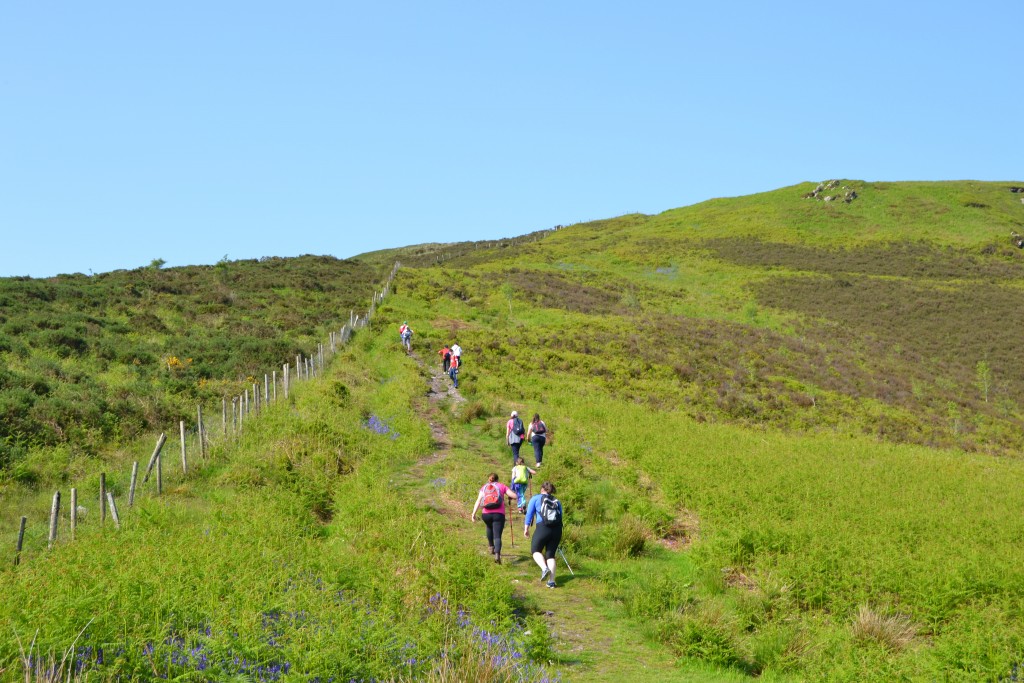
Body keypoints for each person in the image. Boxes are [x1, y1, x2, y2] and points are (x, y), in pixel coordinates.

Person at [470, 473, 517, 564]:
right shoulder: (501, 486)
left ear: (489, 479)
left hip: (486, 514)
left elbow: (478, 501)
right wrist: (511, 496)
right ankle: (497, 555)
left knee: (489, 527)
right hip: (499, 514)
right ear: (497, 479)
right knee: (497, 535)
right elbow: (514, 496)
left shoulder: (484, 487)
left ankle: (491, 547)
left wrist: (473, 514)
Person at [524, 481, 563, 588]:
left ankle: (544, 568)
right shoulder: (557, 501)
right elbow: (561, 516)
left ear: (542, 489)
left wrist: (526, 528)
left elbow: (529, 514)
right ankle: (551, 581)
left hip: (543, 527)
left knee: (535, 550)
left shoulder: (536, 498)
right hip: (557, 529)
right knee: (550, 555)